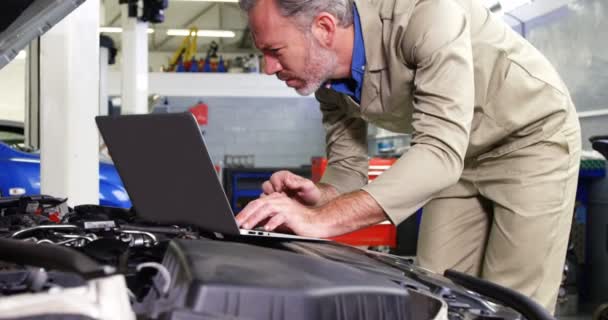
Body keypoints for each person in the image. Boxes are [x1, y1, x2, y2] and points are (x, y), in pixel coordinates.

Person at [235, 0, 581, 313]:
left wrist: (321, 221)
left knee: (511, 303)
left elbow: (440, 151)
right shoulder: (327, 83)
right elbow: (347, 168)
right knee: (438, 293)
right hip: (458, 157)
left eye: (275, 50)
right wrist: (319, 198)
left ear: (324, 28)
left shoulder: (426, 12)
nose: (268, 67)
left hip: (528, 136)